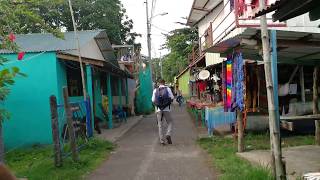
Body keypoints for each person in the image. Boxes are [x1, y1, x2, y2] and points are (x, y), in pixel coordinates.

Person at [152, 79, 174, 145]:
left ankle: (162, 141)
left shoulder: (155, 90)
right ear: (164, 83)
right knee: (170, 122)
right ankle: (168, 134)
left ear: (158, 83)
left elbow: (153, 100)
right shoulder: (168, 89)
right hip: (167, 109)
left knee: (160, 125)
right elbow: (172, 97)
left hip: (159, 110)